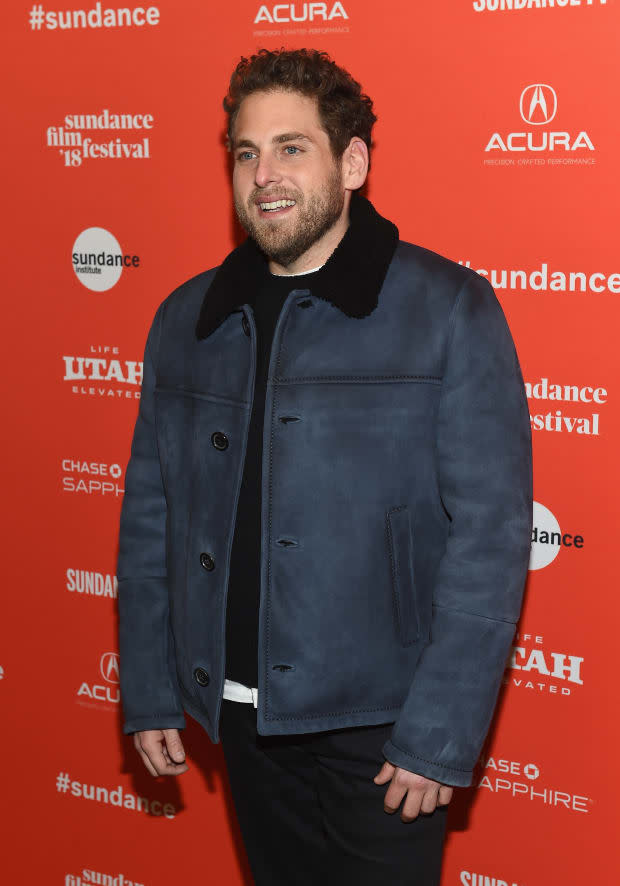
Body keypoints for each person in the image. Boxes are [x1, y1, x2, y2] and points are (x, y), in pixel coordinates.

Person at [117, 48, 533, 885]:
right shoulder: (187, 318)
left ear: (352, 161)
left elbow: (489, 537)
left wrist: (441, 732)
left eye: (291, 148)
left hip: (385, 735)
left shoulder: (447, 309)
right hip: (240, 717)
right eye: (246, 152)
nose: (264, 175)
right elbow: (152, 515)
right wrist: (152, 684)